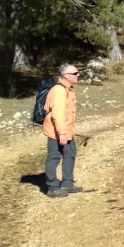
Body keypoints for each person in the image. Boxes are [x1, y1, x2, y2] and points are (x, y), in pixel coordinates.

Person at [43, 63, 83, 198]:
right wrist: (62, 133)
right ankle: (53, 188)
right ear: (66, 76)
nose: (78, 75)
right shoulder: (59, 91)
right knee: (54, 158)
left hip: (67, 130)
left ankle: (67, 184)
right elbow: (57, 115)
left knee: (70, 154)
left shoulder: (68, 89)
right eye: (75, 73)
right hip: (57, 132)